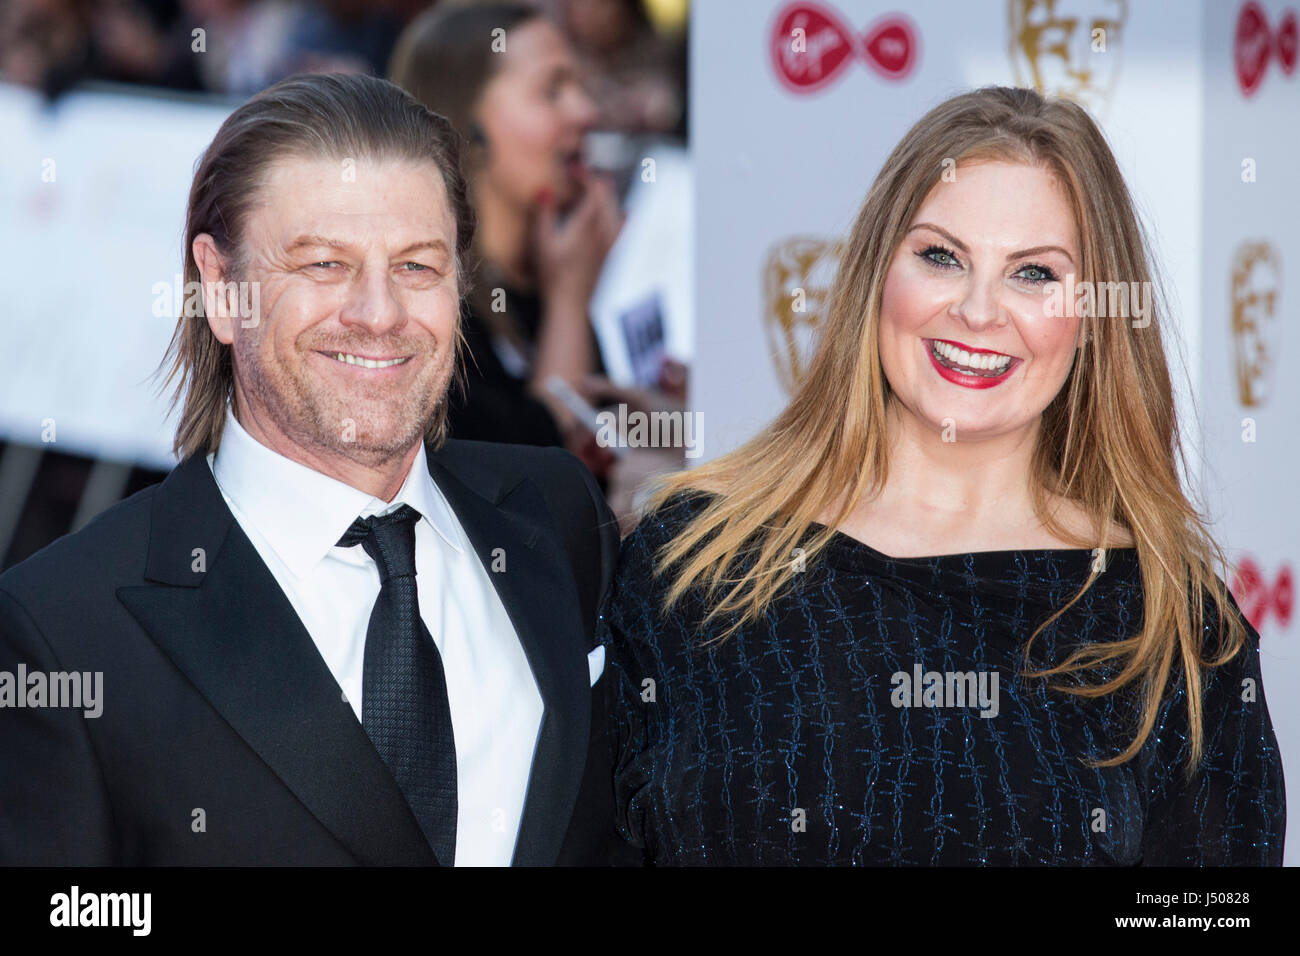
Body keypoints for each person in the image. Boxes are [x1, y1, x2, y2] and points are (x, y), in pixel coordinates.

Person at [591, 85, 1286, 865]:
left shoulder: (1172, 625)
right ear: (875, 275)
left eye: (1034, 274)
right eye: (941, 256)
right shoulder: (695, 562)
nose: (979, 311)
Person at [0, 73, 619, 866]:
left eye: (417, 267)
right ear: (222, 291)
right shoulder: (63, 632)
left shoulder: (557, 516)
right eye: (324, 265)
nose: (379, 313)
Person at [388, 2, 622, 477]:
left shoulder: (542, 285)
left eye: (580, 85)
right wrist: (570, 303)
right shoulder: (422, 311)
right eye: (552, 90)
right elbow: (525, 486)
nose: (586, 112)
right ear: (469, 125)